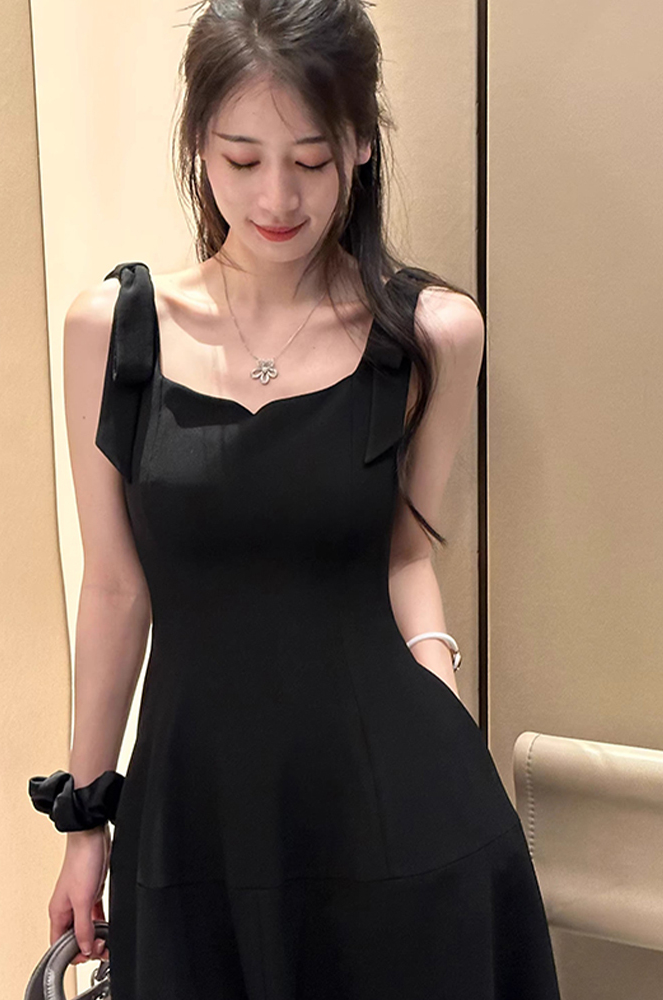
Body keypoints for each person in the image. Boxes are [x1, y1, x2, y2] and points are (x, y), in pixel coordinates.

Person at [29, 1, 562, 996]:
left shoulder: (432, 333)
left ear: (361, 144)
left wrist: (443, 705)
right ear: (199, 145)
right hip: (197, 811)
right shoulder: (112, 331)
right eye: (242, 159)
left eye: (311, 160)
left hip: (393, 806)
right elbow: (115, 589)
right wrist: (84, 822)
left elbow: (406, 552)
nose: (276, 196)